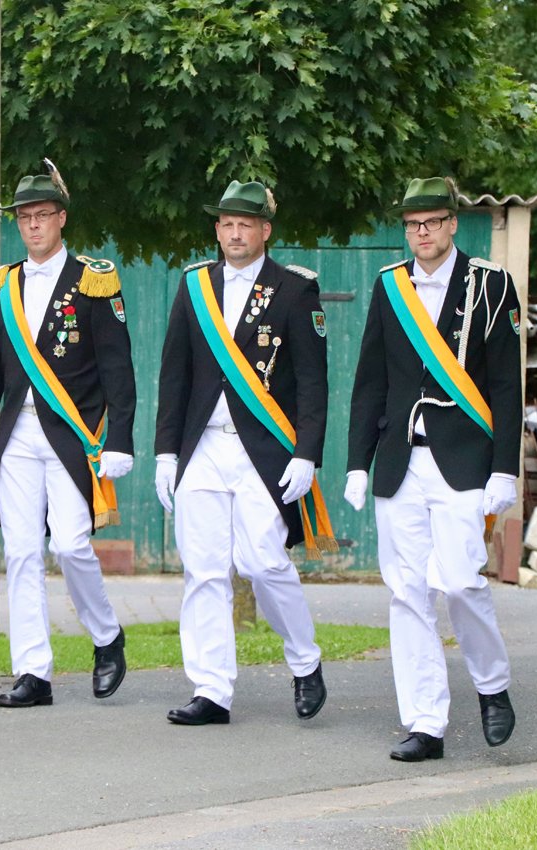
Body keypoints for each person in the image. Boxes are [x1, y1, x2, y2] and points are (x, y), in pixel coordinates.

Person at [344, 176, 521, 762]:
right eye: (412, 224)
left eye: (432, 222)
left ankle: (491, 685)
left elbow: (506, 386)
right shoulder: (389, 285)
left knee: (463, 582)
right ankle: (425, 723)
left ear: (452, 224)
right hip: (401, 461)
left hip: (465, 460)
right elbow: (370, 381)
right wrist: (357, 462)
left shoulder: (491, 284)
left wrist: (505, 468)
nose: (422, 233)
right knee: (407, 593)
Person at [154, 180, 335, 726]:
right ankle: (211, 690)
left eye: (245, 225)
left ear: (265, 231)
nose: (235, 234)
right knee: (204, 569)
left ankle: (304, 660)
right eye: (227, 224)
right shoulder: (195, 285)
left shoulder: (294, 289)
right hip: (204, 446)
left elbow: (313, 382)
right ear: (217, 229)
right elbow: (174, 375)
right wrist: (166, 453)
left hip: (264, 449)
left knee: (262, 561)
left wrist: (307, 453)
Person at [0, 162, 135, 708]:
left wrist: (121, 439)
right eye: (24, 217)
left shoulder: (93, 280)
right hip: (17, 436)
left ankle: (106, 636)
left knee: (72, 545)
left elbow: (118, 370)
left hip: (72, 435)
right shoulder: (4, 284)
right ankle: (33, 672)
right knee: (22, 552)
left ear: (61, 219)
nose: (32, 225)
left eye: (42, 215)